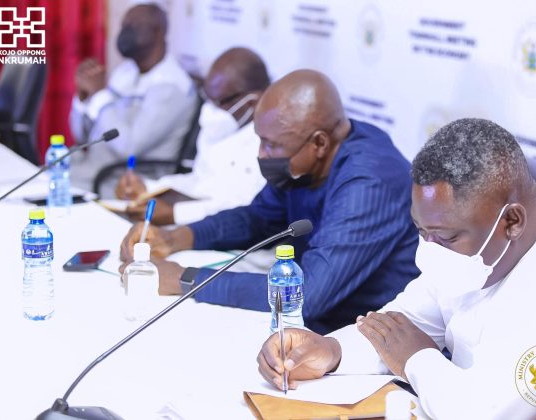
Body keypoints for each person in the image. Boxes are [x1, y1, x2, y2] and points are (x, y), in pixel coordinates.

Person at [256, 118, 536, 419]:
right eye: (421, 231)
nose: (430, 250)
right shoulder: (469, 247)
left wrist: (416, 357)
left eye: (445, 237)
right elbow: (400, 326)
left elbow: (483, 412)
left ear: (512, 222)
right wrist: (331, 351)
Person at [120, 69, 420, 334]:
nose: (261, 154)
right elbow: (258, 218)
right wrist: (175, 238)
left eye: (271, 145)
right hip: (309, 325)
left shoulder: (369, 182)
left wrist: (185, 280)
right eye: (260, 140)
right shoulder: (308, 157)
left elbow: (307, 296)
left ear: (319, 143)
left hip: (361, 339)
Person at [115, 47, 269, 226]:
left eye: (218, 102)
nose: (209, 109)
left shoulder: (269, 141)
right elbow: (200, 181)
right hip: (194, 225)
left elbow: (245, 208)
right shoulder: (219, 125)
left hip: (229, 232)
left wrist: (176, 214)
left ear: (252, 103)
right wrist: (147, 189)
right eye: (207, 98)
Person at [69, 3, 197, 191]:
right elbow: (83, 136)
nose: (124, 32)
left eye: (133, 26)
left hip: (118, 183)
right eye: (123, 25)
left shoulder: (172, 87)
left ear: (157, 32)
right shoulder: (125, 72)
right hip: (89, 171)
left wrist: (99, 95)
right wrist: (84, 99)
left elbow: (129, 147)